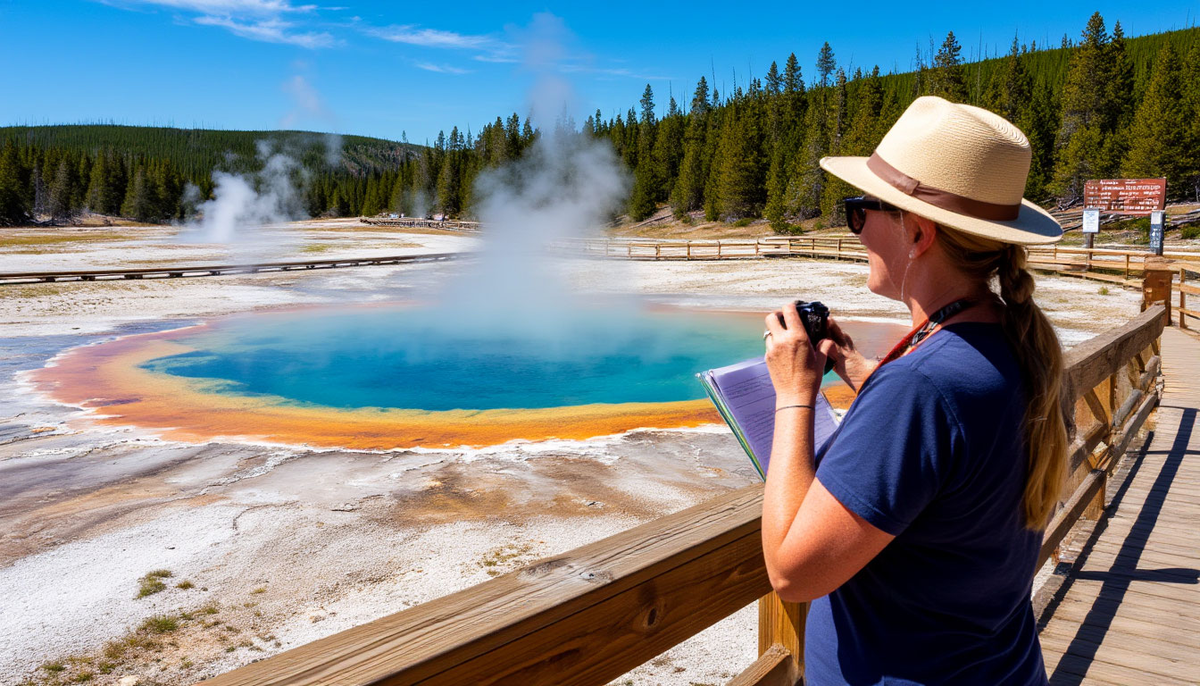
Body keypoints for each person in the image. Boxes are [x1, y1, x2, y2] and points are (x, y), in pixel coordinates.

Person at [760, 96, 1068, 685]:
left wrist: (793, 392)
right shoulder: (1018, 344)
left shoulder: (921, 387)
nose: (853, 230)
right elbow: (953, 442)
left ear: (918, 232)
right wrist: (859, 371)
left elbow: (793, 574)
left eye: (859, 211)